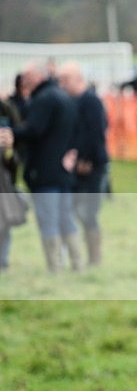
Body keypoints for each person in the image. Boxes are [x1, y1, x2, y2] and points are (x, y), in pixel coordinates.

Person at [3, 61, 81, 272]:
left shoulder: (43, 99)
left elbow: (34, 129)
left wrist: (12, 134)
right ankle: (77, 262)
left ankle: (55, 266)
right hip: (63, 170)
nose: (24, 78)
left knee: (48, 219)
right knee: (65, 217)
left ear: (38, 76)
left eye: (27, 74)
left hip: (45, 171)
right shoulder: (63, 97)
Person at [58, 61, 109, 266]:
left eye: (65, 80)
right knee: (71, 213)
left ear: (78, 79)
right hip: (74, 168)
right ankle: (73, 257)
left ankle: (94, 258)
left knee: (88, 214)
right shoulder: (69, 101)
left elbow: (96, 133)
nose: (61, 84)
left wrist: (85, 159)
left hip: (92, 167)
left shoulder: (91, 101)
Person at [0, 98, 24, 271]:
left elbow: (11, 161)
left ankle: (3, 263)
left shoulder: (6, 109)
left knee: (4, 225)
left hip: (4, 184)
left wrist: (9, 148)